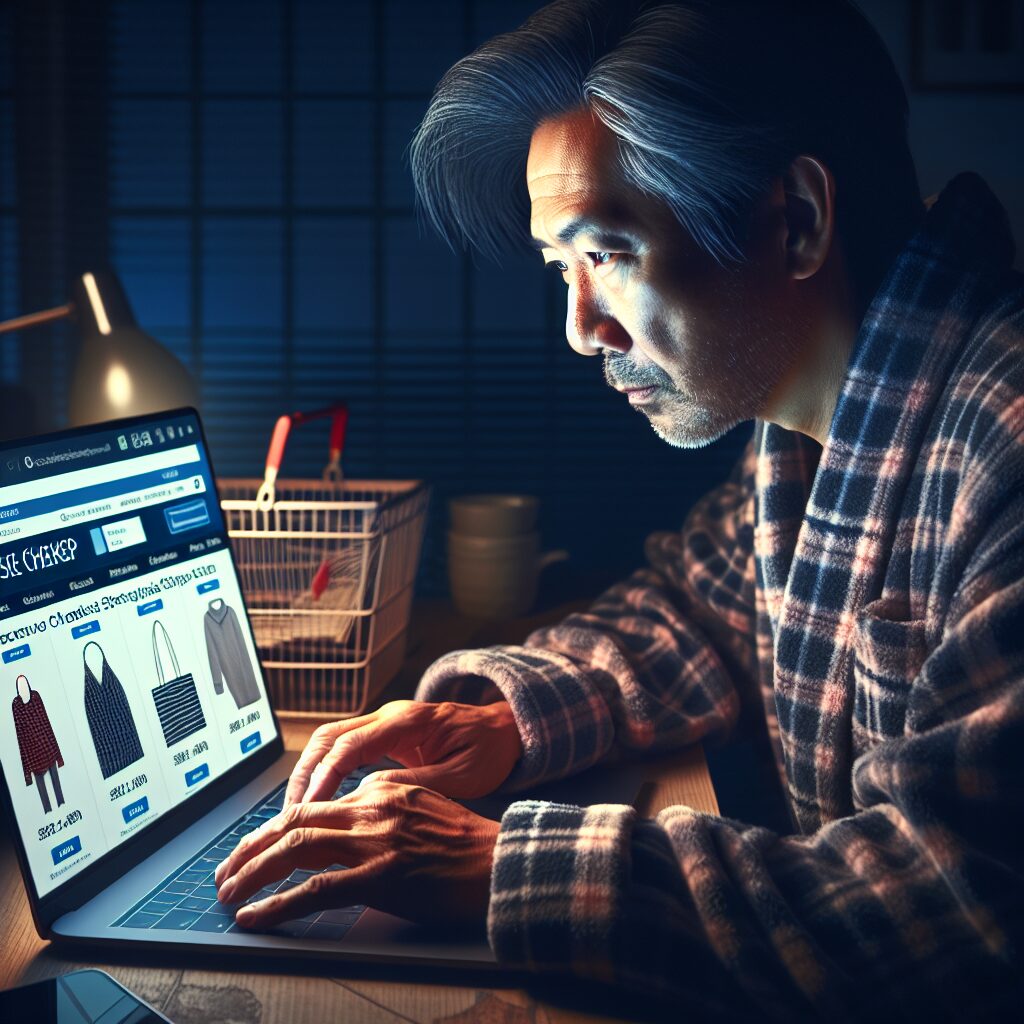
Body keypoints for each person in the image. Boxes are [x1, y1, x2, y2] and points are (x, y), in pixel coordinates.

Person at [215, 1, 1024, 1017]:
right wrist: (506, 720)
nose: (580, 329)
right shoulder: (809, 413)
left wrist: (503, 864)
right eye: (563, 269)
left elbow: (956, 910)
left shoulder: (1002, 445)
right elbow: (696, 605)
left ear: (798, 220)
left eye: (608, 253)